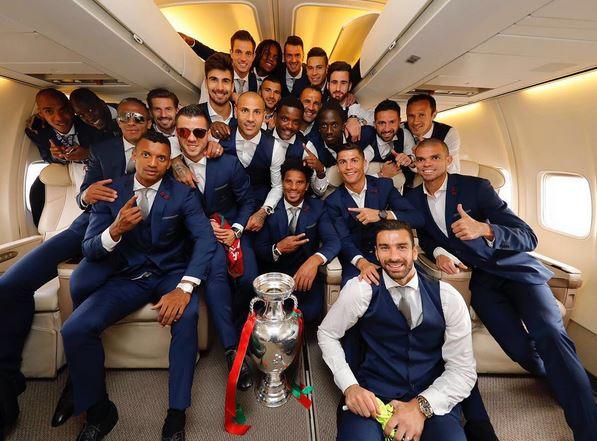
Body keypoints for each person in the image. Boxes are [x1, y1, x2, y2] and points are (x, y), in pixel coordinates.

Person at [406, 139, 597, 441]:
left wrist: (485, 228)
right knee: (520, 350)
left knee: (549, 334)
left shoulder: (476, 188)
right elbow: (428, 236)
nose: (427, 164)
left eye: (434, 157)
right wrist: (440, 250)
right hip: (483, 283)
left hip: (517, 272)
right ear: (414, 162)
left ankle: (588, 426)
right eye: (420, 159)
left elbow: (528, 237)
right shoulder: (413, 197)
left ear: (448, 159)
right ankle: (571, 383)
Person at [61, 131, 216, 441]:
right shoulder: (111, 192)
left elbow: (205, 238)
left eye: (161, 158)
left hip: (170, 273)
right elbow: (91, 248)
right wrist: (115, 230)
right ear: (134, 156)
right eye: (146, 155)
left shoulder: (183, 194)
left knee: (186, 318)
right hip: (126, 276)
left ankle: (177, 413)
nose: (153, 163)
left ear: (168, 162)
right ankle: (98, 411)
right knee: (75, 329)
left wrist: (184, 287)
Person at [318, 220, 476, 441]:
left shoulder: (448, 297)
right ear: (376, 253)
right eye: (385, 248)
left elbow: (463, 370)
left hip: (430, 395)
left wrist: (420, 407)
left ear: (415, 252)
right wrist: (350, 386)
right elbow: (327, 334)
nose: (393, 257)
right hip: (373, 394)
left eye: (401, 247)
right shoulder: (360, 290)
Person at [176, 104, 255, 390]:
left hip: (233, 231)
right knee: (217, 276)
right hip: (199, 240)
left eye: (199, 131)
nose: (192, 138)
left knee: (248, 281)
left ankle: (233, 326)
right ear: (177, 133)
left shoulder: (228, 163)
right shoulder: (169, 167)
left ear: (209, 133)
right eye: (184, 132)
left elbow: (247, 202)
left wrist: (235, 230)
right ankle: (233, 351)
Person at [324, 143, 423, 287]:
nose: (349, 167)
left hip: (389, 253)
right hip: (356, 259)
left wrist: (382, 214)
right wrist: (362, 263)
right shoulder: (333, 201)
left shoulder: (384, 186)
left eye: (354, 160)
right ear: (338, 168)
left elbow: (418, 218)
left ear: (364, 163)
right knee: (357, 292)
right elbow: (343, 240)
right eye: (343, 162)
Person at [255, 159, 340, 322]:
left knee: (310, 314)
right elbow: (258, 246)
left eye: (300, 182)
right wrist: (277, 248)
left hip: (305, 276)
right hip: (274, 278)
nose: (293, 188)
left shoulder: (317, 208)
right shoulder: (268, 208)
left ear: (307, 186)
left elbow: (333, 242)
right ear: (282, 182)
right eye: (289, 181)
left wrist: (313, 261)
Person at [24, 89, 107, 226]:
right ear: (41, 114)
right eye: (49, 111)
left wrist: (89, 153)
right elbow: (47, 156)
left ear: (71, 108)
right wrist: (56, 156)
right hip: (73, 170)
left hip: (100, 168)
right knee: (37, 190)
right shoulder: (37, 131)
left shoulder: (91, 124)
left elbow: (113, 150)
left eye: (63, 110)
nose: (59, 118)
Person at [218, 92, 282, 234]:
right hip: (223, 209)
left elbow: (277, 186)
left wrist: (263, 212)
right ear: (236, 111)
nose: (250, 119)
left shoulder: (275, 147)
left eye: (257, 112)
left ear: (265, 115)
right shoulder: (220, 137)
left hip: (256, 210)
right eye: (245, 110)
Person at [269, 95, 328, 196]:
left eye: (295, 122)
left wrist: (320, 170)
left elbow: (319, 192)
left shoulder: (306, 147)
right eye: (284, 119)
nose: (289, 126)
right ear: (275, 117)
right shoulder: (262, 137)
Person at [361, 99, 417, 187]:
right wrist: (381, 175)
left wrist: (409, 160)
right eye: (381, 123)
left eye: (392, 122)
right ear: (374, 124)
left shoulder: (405, 135)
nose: (387, 129)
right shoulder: (367, 140)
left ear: (399, 122)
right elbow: (354, 178)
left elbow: (416, 162)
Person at [404, 94, 460, 173]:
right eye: (411, 116)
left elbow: (453, 171)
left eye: (421, 115)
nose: (415, 122)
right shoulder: (401, 131)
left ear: (433, 115)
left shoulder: (448, 133)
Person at [198, 30, 258, 104]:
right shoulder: (214, 77)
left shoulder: (255, 82)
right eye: (238, 52)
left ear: (253, 56)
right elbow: (204, 108)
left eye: (248, 53)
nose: (243, 59)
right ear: (231, 53)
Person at [326, 61, 374, 141]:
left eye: (343, 83)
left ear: (349, 86)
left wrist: (360, 122)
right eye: (334, 82)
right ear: (328, 85)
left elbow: (376, 122)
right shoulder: (321, 110)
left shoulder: (358, 109)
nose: (338, 88)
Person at [147, 88, 181, 157]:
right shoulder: (145, 138)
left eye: (168, 109)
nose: (163, 115)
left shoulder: (190, 130)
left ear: (177, 110)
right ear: (150, 112)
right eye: (157, 109)